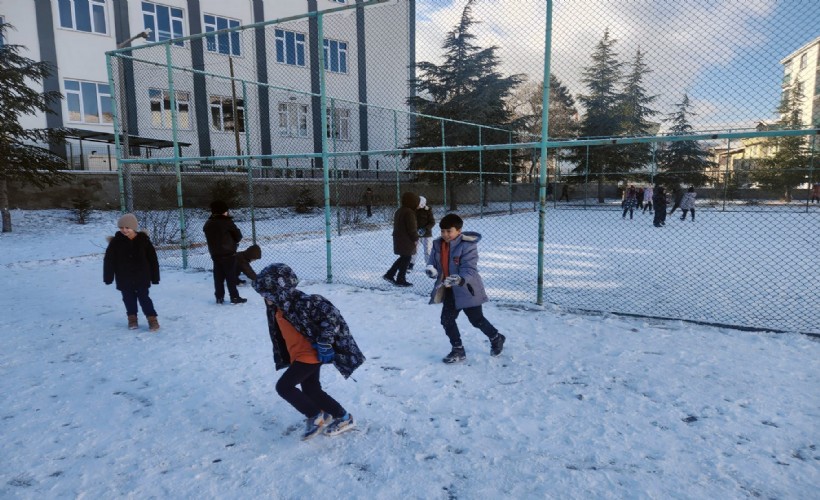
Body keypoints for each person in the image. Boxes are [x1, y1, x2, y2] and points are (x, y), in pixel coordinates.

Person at [253, 263, 365, 440]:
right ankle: (343, 418)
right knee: (311, 390)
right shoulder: (279, 307)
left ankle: (315, 415)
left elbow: (332, 317)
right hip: (299, 355)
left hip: (310, 355)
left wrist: (325, 343)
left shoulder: (305, 302)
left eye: (268, 294)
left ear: (280, 291)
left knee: (284, 387)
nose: (265, 298)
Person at [424, 213, 505, 364]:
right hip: (449, 290)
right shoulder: (437, 244)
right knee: (446, 320)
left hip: (467, 289)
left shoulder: (467, 246)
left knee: (476, 320)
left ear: (458, 231)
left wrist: (460, 279)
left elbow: (469, 268)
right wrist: (431, 269)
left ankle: (496, 337)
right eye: (443, 231)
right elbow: (433, 261)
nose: (445, 234)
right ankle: (458, 350)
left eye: (449, 231)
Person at [103, 213, 160, 331]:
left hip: (142, 276)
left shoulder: (143, 240)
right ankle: (132, 318)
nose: (124, 230)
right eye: (121, 228)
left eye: (127, 227)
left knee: (144, 298)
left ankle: (152, 319)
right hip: (124, 277)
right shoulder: (116, 242)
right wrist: (108, 277)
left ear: (134, 227)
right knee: (128, 299)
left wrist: (155, 277)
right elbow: (109, 261)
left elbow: (153, 259)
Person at [203, 200, 247, 304]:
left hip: (215, 254)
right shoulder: (227, 222)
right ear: (223, 211)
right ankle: (234, 297)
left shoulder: (208, 223)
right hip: (228, 254)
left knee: (218, 277)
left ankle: (219, 297)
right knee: (230, 276)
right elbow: (238, 236)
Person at [383, 191, 419, 288]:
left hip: (399, 238)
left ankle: (390, 274)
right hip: (406, 239)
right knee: (406, 258)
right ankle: (400, 279)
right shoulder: (409, 212)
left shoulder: (400, 210)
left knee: (404, 257)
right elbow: (411, 229)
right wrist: (415, 238)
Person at [415, 196, 436, 270]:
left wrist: (425, 229)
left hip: (427, 234)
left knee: (427, 250)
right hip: (416, 234)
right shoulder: (413, 210)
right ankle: (410, 264)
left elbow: (432, 222)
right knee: (414, 250)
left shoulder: (428, 211)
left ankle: (429, 265)